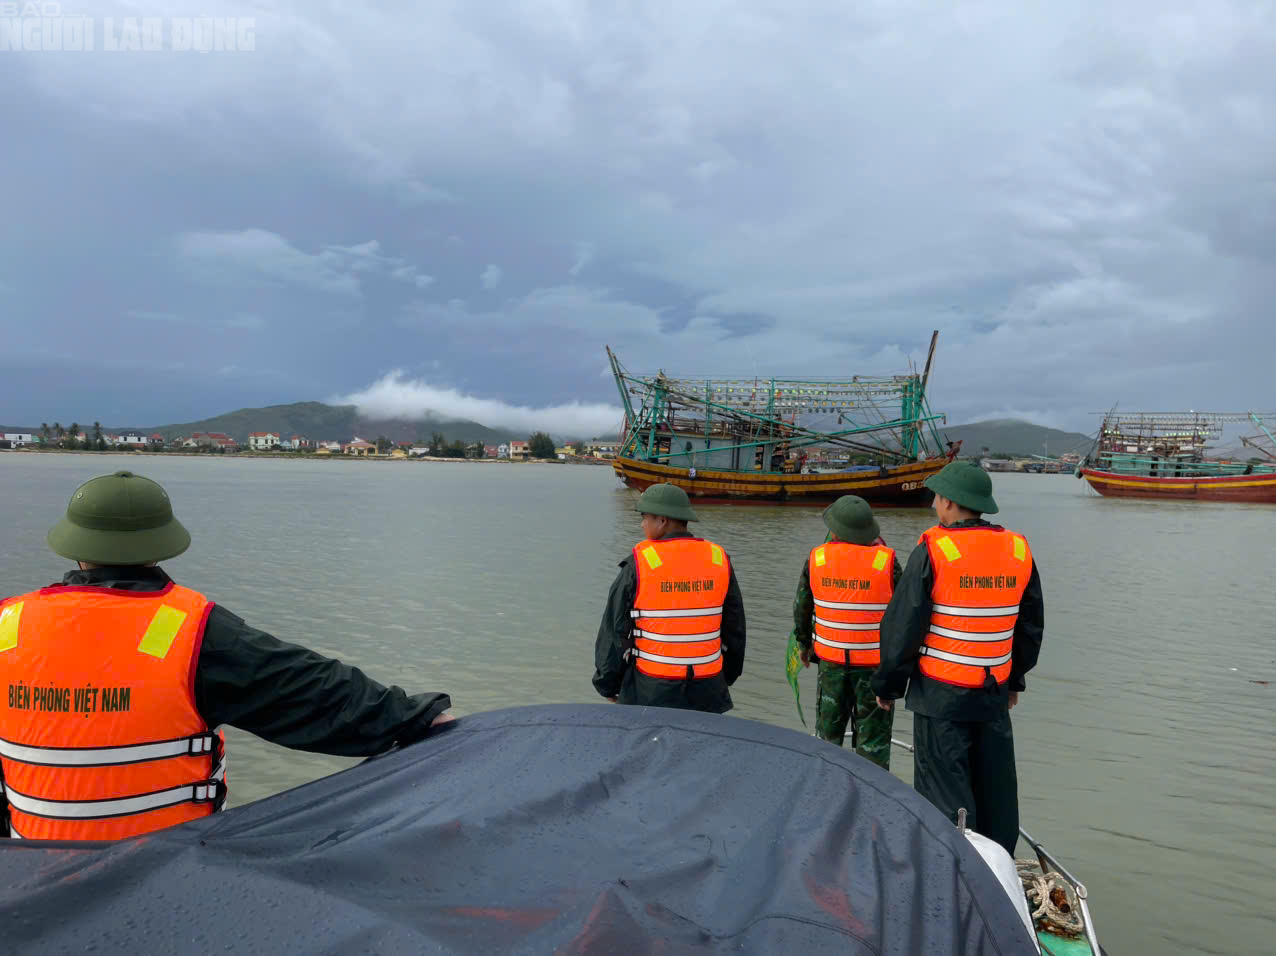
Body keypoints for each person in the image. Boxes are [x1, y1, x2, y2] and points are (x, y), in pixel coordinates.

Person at [0, 471, 454, 842]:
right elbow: (311, 690)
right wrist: (413, 717)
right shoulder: (192, 629)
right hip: (161, 877)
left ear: (76, 548)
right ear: (162, 547)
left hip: (34, 885)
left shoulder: (8, 626)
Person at [872, 460, 1043, 855]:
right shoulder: (1017, 549)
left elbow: (902, 626)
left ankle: (951, 881)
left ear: (949, 502)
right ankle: (1000, 873)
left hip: (941, 697)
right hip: (993, 693)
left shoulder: (934, 548)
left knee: (944, 798)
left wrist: (888, 685)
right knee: (995, 791)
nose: (934, 504)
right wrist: (1015, 679)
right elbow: (1030, 625)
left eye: (937, 497)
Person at [593, 483, 746, 713]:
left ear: (662, 521)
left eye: (645, 517)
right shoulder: (718, 558)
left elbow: (614, 630)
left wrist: (608, 685)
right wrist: (726, 678)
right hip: (708, 690)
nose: (642, 524)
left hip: (651, 690)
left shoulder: (640, 563)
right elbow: (734, 628)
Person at [792, 495, 901, 769]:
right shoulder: (887, 561)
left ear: (836, 530)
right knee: (873, 747)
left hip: (831, 667)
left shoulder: (817, 559)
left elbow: (802, 607)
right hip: (875, 671)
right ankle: (873, 805)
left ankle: (827, 796)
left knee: (828, 742)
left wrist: (804, 644)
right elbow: (905, 614)